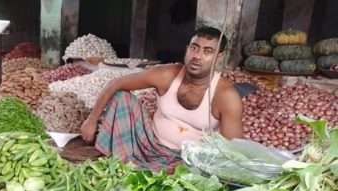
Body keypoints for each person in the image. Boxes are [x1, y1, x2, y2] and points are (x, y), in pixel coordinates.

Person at [81, 26, 243, 172]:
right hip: (148, 143)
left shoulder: (225, 96)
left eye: (208, 51)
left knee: (193, 172)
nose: (198, 56)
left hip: (189, 160)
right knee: (121, 97)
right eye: (194, 48)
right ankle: (122, 161)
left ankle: (144, 169)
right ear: (187, 49)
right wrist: (92, 119)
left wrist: (194, 165)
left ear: (219, 57)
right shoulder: (166, 75)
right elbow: (116, 83)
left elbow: (233, 151)